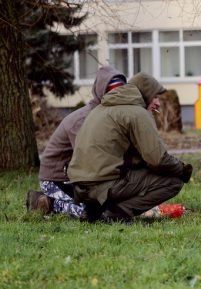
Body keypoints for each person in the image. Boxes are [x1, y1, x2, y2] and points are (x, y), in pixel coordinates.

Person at [68, 73, 193, 223]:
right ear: (145, 93)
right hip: (104, 185)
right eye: (155, 97)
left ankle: (95, 211)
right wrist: (182, 169)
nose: (158, 103)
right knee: (173, 181)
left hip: (80, 187)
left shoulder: (100, 110)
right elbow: (158, 160)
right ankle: (117, 213)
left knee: (136, 174)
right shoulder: (137, 113)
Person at [26, 66, 126, 218]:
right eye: (113, 92)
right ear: (101, 92)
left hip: (76, 178)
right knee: (92, 214)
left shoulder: (108, 115)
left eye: (121, 92)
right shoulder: (82, 120)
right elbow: (88, 159)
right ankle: (44, 202)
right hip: (56, 179)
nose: (118, 97)